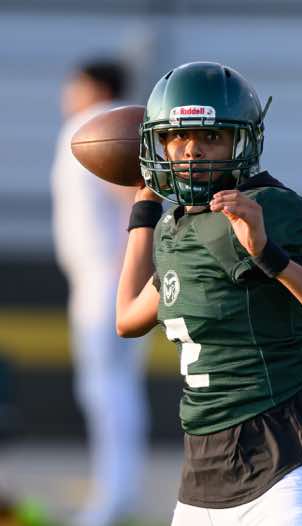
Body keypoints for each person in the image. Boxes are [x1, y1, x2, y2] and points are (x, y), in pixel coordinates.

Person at [116, 61, 302, 526]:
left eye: (211, 136)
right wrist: (143, 211)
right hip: (202, 479)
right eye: (176, 135)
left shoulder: (265, 207)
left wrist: (269, 254)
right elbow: (127, 318)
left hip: (284, 464)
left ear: (241, 142)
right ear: (156, 143)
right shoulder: (174, 229)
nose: (191, 149)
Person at [50, 59, 149, 526]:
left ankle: (113, 497)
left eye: (74, 84)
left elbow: (134, 197)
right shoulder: (107, 124)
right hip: (103, 277)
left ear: (93, 86)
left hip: (107, 279)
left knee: (107, 388)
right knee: (112, 386)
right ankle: (118, 492)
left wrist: (128, 264)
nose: (66, 93)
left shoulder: (100, 128)